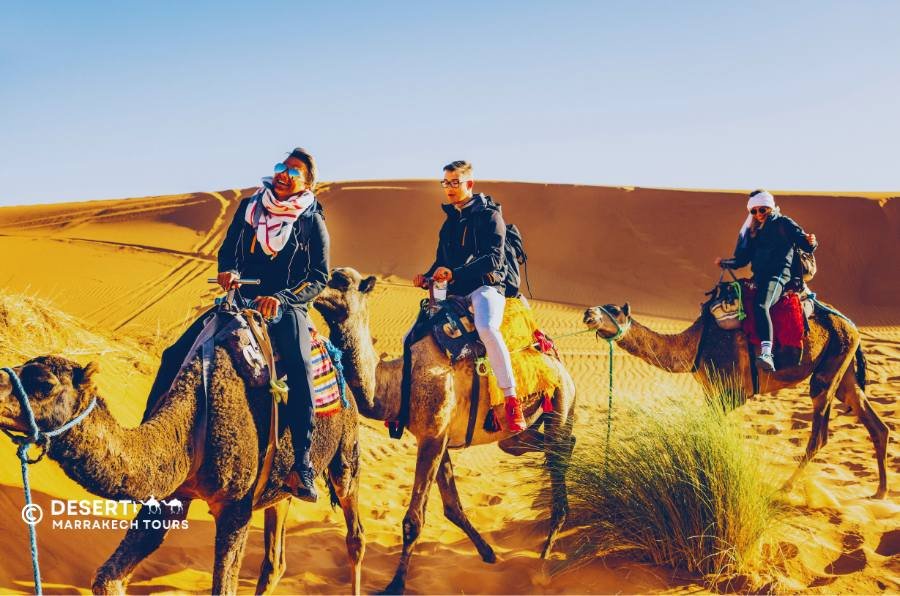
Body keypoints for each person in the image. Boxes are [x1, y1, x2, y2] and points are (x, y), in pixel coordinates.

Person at [216, 147, 330, 501]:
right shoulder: (250, 207)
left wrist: (283, 299)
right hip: (243, 299)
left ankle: (303, 462)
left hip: (287, 305)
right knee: (185, 349)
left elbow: (319, 277)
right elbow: (229, 249)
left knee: (299, 369)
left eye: (294, 171)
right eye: (281, 167)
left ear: (307, 182)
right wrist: (228, 271)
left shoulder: (312, 220)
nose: (283, 174)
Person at [413, 160, 527, 432]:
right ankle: (405, 399)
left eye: (455, 182)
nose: (449, 188)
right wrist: (427, 276)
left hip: (486, 287)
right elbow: (441, 260)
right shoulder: (449, 222)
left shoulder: (490, 217)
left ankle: (511, 400)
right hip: (455, 290)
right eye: (446, 183)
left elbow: (493, 260)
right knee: (415, 333)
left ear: (469, 184)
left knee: (487, 327)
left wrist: (454, 273)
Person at [715, 189, 817, 372]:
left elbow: (804, 244)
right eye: (753, 211)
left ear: (769, 207)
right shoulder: (754, 231)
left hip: (779, 276)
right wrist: (726, 263)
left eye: (762, 209)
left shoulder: (783, 223)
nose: (758, 214)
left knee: (762, 305)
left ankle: (767, 353)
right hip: (760, 277)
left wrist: (811, 241)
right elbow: (743, 259)